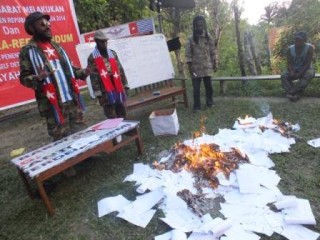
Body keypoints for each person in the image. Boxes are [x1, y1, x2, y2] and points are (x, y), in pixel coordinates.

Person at [19, 12, 90, 141]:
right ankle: (70, 161)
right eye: (42, 24)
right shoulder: (28, 51)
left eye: (48, 23)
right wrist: (37, 78)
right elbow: (24, 78)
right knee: (62, 138)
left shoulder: (56, 46)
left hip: (71, 99)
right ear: (31, 28)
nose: (47, 26)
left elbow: (70, 69)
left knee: (81, 132)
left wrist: (83, 72)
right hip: (53, 104)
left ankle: (87, 157)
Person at [87, 30, 127, 119]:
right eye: (102, 42)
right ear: (96, 41)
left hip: (118, 88)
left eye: (106, 41)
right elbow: (93, 76)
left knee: (122, 113)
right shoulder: (92, 57)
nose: (105, 44)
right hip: (105, 91)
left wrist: (125, 84)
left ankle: (126, 132)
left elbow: (120, 69)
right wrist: (98, 93)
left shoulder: (112, 53)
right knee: (111, 116)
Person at [185, 15, 217, 112]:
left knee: (209, 87)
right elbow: (188, 53)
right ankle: (197, 106)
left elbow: (213, 51)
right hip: (195, 69)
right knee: (196, 89)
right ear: (194, 26)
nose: (199, 27)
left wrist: (215, 62)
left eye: (201, 25)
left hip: (207, 67)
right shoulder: (191, 39)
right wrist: (190, 67)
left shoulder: (208, 36)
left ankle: (210, 103)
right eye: (197, 26)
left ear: (203, 25)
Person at [281, 31, 315, 102]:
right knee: (284, 75)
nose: (297, 42)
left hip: (306, 68)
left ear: (304, 41)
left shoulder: (310, 48)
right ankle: (296, 94)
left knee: (308, 74)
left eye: (300, 41)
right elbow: (289, 63)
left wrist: (300, 73)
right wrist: (291, 71)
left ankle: (291, 93)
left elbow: (307, 64)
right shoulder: (290, 49)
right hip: (294, 68)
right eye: (296, 40)